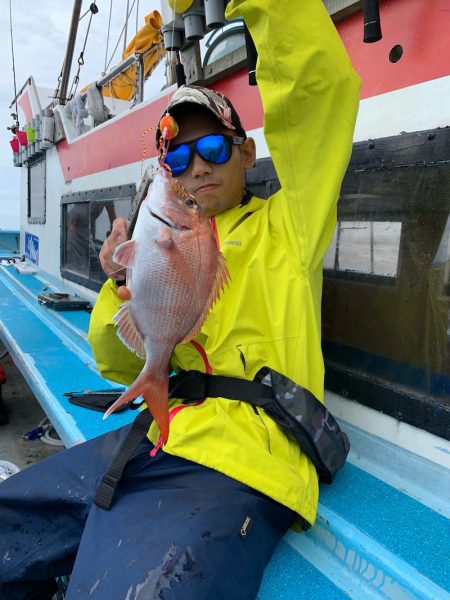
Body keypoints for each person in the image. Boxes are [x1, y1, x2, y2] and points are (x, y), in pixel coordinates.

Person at [0, 0, 360, 598]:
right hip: (154, 438)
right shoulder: (159, 232)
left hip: (240, 459)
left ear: (247, 153)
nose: (197, 167)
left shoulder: (288, 226)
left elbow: (319, 90)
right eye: (178, 158)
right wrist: (118, 288)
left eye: (215, 149)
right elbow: (120, 365)